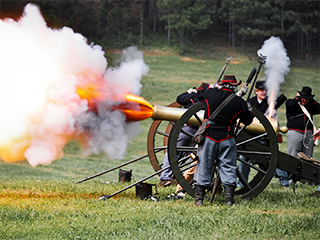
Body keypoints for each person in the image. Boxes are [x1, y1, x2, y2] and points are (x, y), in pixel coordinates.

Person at [193, 75, 254, 207]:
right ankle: (229, 200)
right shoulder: (239, 102)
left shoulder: (211, 94)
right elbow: (248, 120)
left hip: (209, 137)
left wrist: (213, 88)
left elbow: (199, 94)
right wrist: (247, 108)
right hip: (227, 138)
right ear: (234, 87)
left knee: (204, 165)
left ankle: (199, 200)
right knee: (228, 167)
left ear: (221, 84)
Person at [237, 81, 289, 188]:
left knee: (274, 159)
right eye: (261, 90)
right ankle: (241, 183)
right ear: (256, 91)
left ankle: (284, 183)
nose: (264, 92)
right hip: (250, 137)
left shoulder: (270, 102)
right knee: (243, 159)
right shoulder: (250, 102)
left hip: (264, 137)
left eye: (266, 90)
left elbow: (280, 100)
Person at [159, 82, 209, 187]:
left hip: (188, 130)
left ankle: (165, 177)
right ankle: (192, 181)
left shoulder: (192, 97)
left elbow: (180, 99)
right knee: (195, 157)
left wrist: (190, 92)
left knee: (173, 151)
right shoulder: (210, 99)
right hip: (203, 133)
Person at [286, 86, 320, 191]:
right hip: (294, 133)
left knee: (308, 157)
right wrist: (297, 98)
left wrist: (310, 99)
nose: (304, 100)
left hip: (308, 134)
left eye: (307, 98)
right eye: (303, 98)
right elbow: (290, 104)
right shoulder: (293, 103)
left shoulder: (311, 105)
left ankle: (308, 180)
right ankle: (291, 180)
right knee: (293, 157)